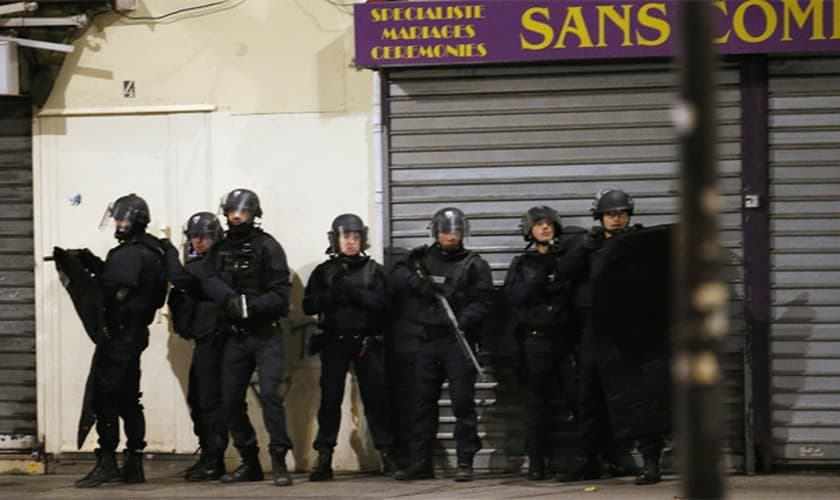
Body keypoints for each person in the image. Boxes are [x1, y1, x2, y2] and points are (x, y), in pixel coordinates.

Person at [573, 187, 669, 485]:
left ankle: (651, 461)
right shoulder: (589, 247)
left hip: (633, 331)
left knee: (641, 394)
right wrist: (583, 250)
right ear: (599, 217)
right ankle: (590, 459)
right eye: (609, 214)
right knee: (589, 395)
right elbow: (566, 279)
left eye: (620, 213)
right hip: (595, 329)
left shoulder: (639, 245)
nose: (615, 219)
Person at [390, 207, 493, 482]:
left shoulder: (474, 264)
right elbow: (397, 275)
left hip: (458, 342)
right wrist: (418, 285)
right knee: (423, 403)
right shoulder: (420, 258)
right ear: (436, 232)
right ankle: (421, 462)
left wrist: (463, 319)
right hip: (428, 341)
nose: (451, 236)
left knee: (462, 404)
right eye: (446, 231)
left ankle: (465, 461)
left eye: (456, 231)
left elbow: (484, 302)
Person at [72, 193, 167, 488]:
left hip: (120, 336)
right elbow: (121, 284)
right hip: (135, 334)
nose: (117, 223)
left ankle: (108, 463)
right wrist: (94, 263)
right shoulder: (150, 251)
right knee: (129, 399)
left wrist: (83, 272)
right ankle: (134, 463)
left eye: (123, 218)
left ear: (136, 220)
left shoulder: (130, 254)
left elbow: (111, 292)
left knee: (106, 398)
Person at [202, 188, 295, 487]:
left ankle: (279, 460)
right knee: (229, 400)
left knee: (270, 396)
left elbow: (281, 293)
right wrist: (230, 300)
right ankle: (249, 460)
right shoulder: (220, 248)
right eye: (231, 212)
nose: (236, 217)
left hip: (265, 334)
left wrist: (253, 306)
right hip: (235, 337)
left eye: (242, 212)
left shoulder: (268, 247)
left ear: (254, 214)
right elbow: (208, 278)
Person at [302, 213, 398, 481]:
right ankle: (324, 457)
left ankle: (387, 453)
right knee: (330, 402)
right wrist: (330, 295)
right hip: (335, 343)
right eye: (346, 237)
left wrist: (356, 295)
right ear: (336, 239)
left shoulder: (374, 271)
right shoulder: (325, 271)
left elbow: (387, 306)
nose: (351, 242)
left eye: (356, 237)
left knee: (376, 400)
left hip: (367, 344)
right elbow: (307, 305)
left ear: (363, 239)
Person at [503, 206, 586, 481]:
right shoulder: (522, 263)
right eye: (539, 224)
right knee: (536, 405)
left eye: (549, 224)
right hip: (535, 343)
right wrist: (540, 276)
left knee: (580, 401)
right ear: (529, 230)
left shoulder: (568, 260)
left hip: (565, 343)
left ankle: (587, 458)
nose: (545, 228)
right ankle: (537, 462)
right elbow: (513, 298)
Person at [163, 212, 228, 481]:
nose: (199, 241)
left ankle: (214, 459)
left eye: (205, 237)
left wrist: (166, 250)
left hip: (215, 342)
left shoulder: (212, 266)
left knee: (209, 401)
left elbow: (181, 278)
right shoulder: (201, 263)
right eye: (194, 237)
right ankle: (209, 456)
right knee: (199, 399)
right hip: (204, 340)